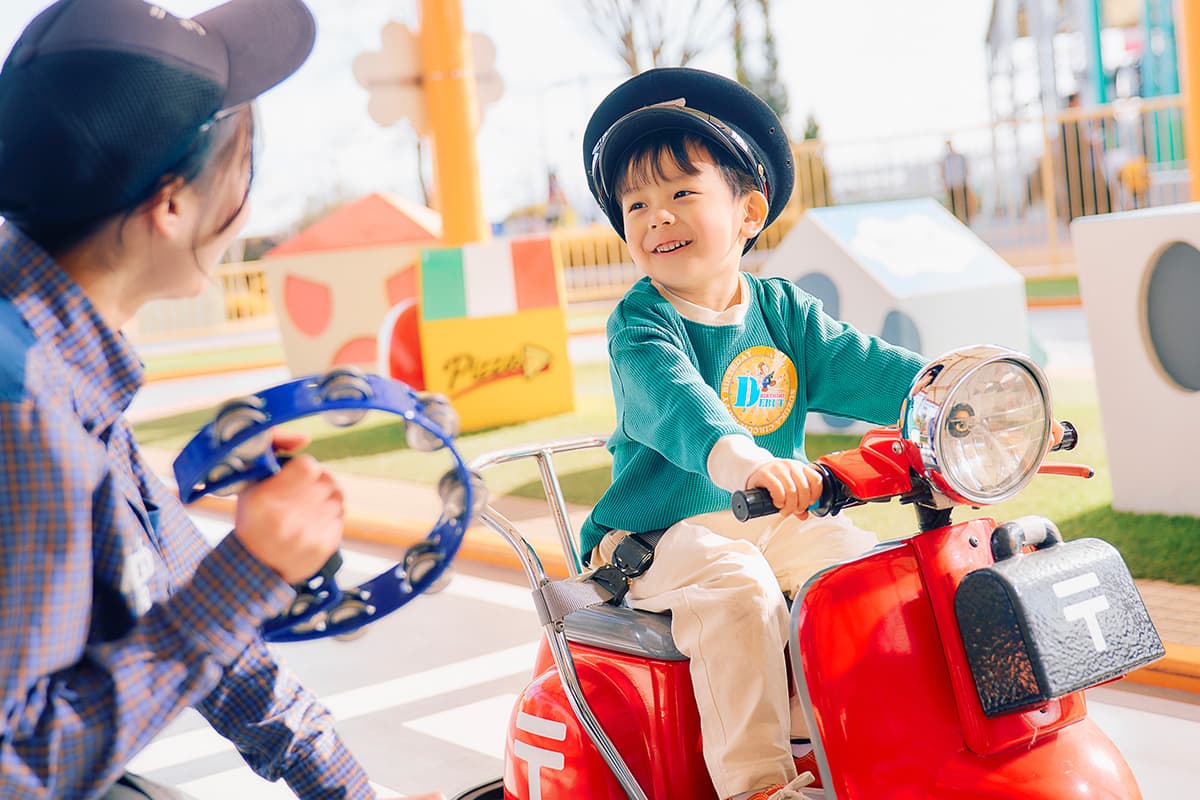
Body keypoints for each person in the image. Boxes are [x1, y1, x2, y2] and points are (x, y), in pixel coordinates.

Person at [0, 2, 443, 799]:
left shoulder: (59, 359)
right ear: (171, 207)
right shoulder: (25, 410)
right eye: (242, 163)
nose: (249, 203)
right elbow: (20, 766)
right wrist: (254, 567)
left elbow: (207, 624)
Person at [578, 66, 928, 800]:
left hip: (766, 517)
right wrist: (744, 461)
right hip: (656, 538)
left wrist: (960, 393)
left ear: (748, 210)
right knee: (735, 589)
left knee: (870, 571)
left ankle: (879, 743)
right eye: (635, 203)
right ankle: (760, 786)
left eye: (681, 193)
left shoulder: (782, 309)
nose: (654, 217)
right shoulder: (641, 323)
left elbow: (863, 365)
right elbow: (678, 404)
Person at [941, 138, 971, 225]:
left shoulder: (960, 157)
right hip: (951, 185)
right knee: (953, 204)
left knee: (964, 203)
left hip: (961, 183)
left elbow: (966, 169)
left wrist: (965, 179)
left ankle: (966, 220)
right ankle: (956, 220)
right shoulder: (945, 160)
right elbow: (943, 173)